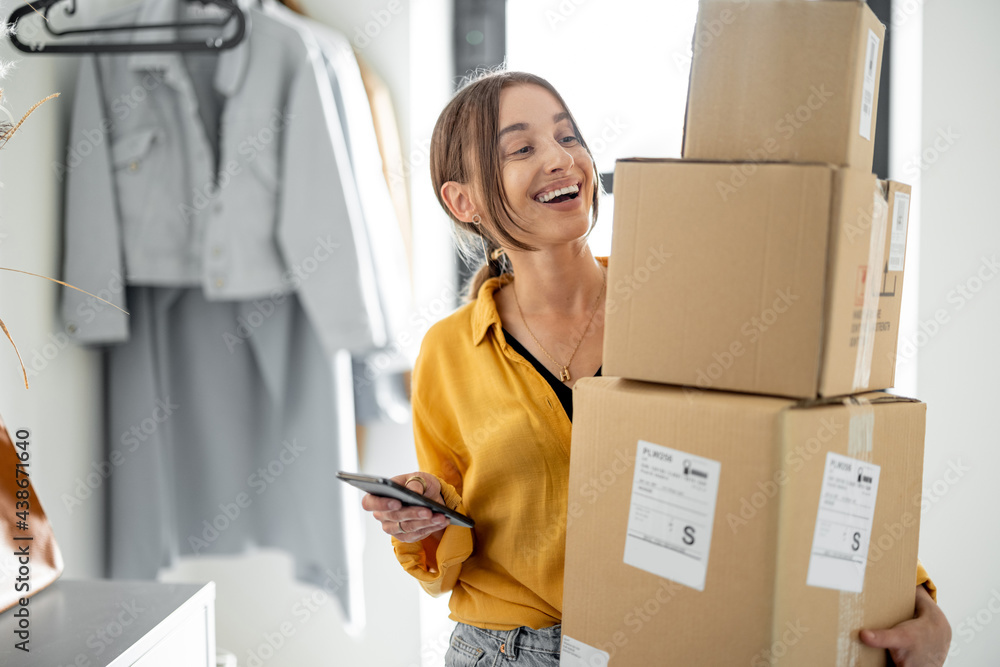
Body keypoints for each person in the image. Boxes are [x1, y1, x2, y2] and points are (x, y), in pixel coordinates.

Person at [361, 70, 952, 667]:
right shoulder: (447, 351)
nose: (563, 159)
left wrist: (911, 594)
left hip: (669, 641)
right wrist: (424, 514)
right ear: (464, 201)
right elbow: (449, 553)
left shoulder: (677, 303)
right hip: (510, 650)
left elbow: (809, 445)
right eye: (523, 148)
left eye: (569, 137)